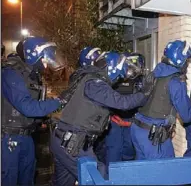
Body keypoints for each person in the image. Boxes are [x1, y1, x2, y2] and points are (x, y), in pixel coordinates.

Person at [50, 51, 151, 186]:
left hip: (64, 140)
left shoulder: (91, 79)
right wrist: (145, 94)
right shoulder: (96, 84)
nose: (120, 79)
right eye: (120, 75)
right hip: (74, 144)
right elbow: (123, 103)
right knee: (100, 179)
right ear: (112, 68)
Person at [130, 40, 191, 160]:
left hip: (137, 129)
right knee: (163, 174)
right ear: (180, 60)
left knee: (143, 172)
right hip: (153, 136)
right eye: (187, 61)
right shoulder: (176, 82)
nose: (187, 65)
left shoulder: (153, 73)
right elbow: (187, 115)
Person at [1, 36, 65, 186]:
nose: (46, 63)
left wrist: (42, 120)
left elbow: (35, 104)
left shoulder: (31, 76)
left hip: (27, 136)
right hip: (8, 139)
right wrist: (58, 102)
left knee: (28, 179)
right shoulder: (11, 74)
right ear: (33, 54)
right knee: (8, 179)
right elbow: (28, 107)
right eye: (44, 58)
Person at [105, 53, 145, 166]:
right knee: (113, 157)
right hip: (114, 122)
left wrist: (129, 123)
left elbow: (145, 108)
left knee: (130, 156)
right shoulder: (114, 78)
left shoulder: (142, 83)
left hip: (132, 123)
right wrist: (108, 116)